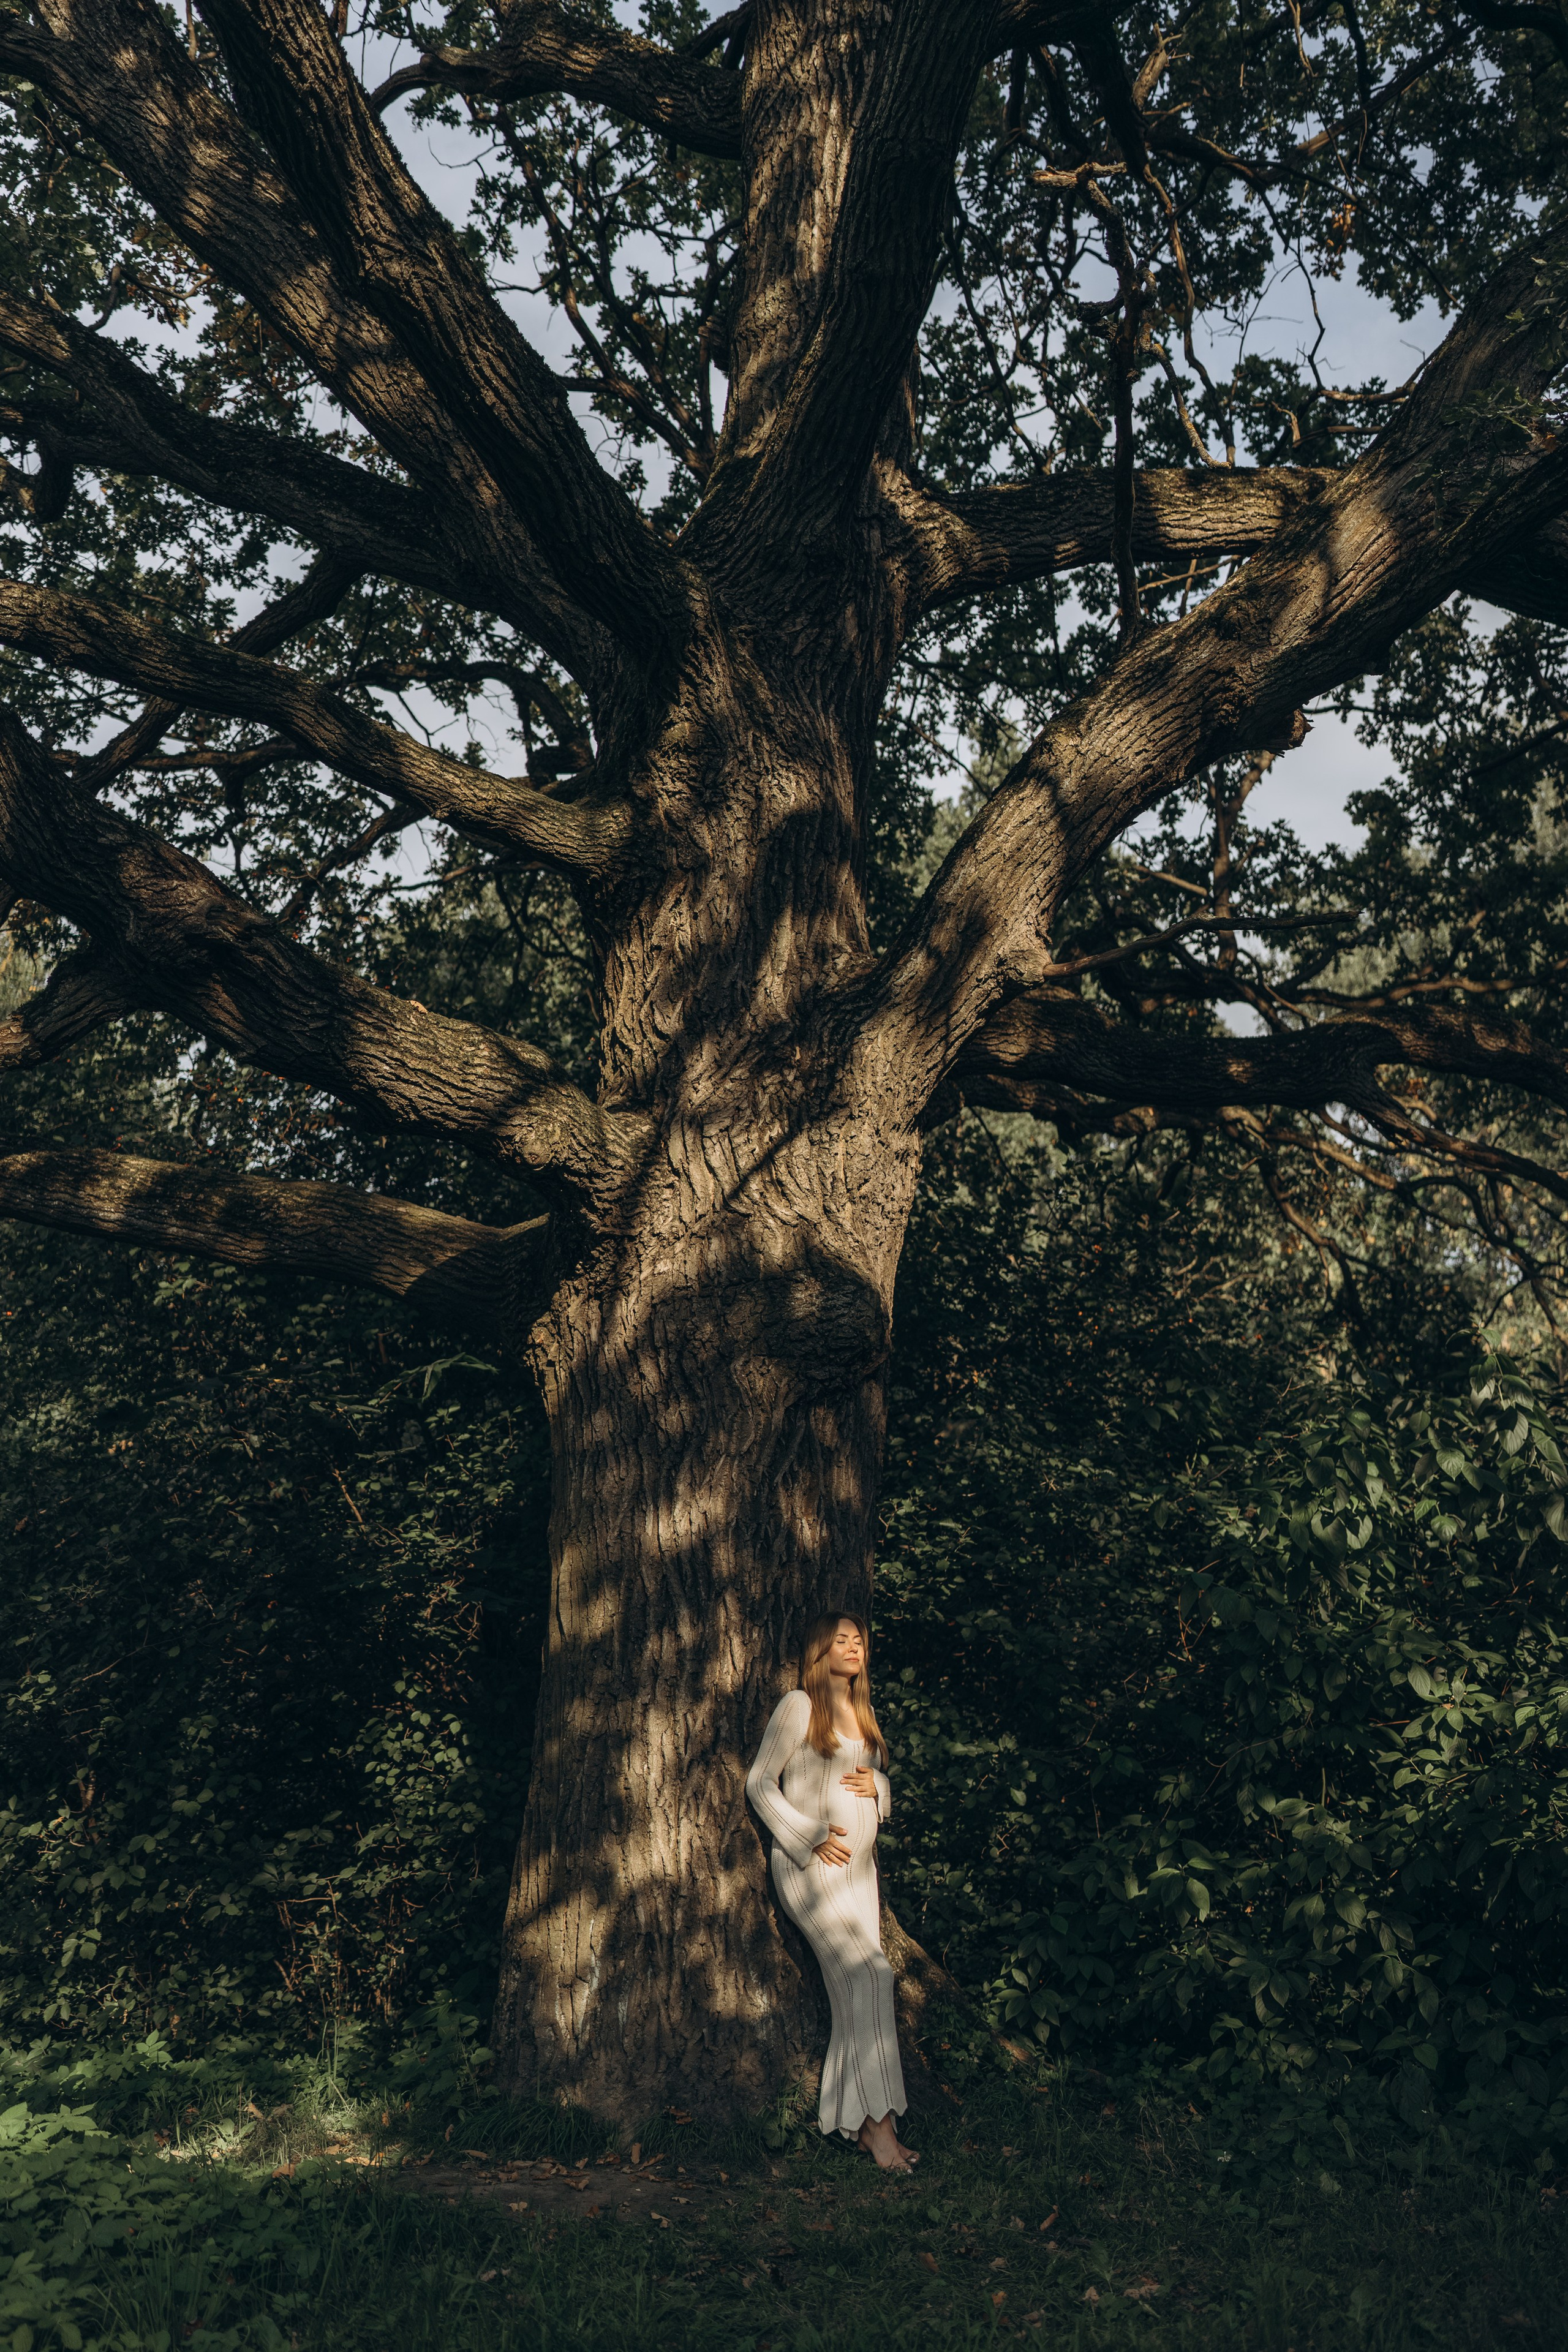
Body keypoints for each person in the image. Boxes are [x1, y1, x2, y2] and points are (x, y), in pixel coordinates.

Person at [745, 1611, 918, 2171]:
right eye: (840, 1640)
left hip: (859, 1877)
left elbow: (868, 1789)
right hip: (810, 1872)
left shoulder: (862, 1714)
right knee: (872, 1975)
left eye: (859, 1640)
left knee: (856, 1994)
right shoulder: (800, 1705)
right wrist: (811, 1835)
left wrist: (882, 1786)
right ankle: (880, 2129)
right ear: (819, 1652)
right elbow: (758, 1784)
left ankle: (866, 2125)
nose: (853, 1647)